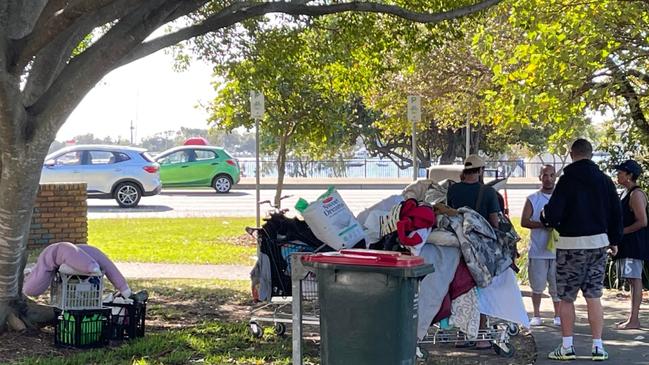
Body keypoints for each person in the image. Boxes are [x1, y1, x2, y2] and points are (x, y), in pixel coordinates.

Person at [542, 139, 623, 361]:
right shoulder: (605, 181)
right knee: (594, 295)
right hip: (598, 244)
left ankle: (567, 346)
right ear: (591, 154)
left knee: (567, 298)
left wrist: (546, 217)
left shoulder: (566, 181)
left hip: (570, 245)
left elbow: (553, 214)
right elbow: (616, 213)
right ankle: (598, 346)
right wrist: (614, 240)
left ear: (571, 154)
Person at [447, 154, 501, 350]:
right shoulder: (487, 192)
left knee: (460, 289)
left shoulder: (453, 190)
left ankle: (461, 335)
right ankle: (481, 336)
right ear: (480, 171)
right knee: (482, 291)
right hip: (480, 251)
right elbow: (494, 222)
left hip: (457, 247)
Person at [521, 165, 561, 326]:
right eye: (545, 175)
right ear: (540, 177)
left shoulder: (561, 198)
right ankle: (536, 315)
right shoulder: (533, 198)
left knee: (557, 287)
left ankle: (558, 315)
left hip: (558, 250)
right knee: (537, 286)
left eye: (552, 175)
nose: (548, 178)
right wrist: (543, 225)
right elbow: (524, 221)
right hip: (538, 250)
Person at [613, 159, 648, 330]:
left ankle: (634, 319)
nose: (618, 175)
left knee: (635, 279)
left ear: (629, 175)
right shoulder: (625, 193)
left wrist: (622, 232)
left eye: (620, 172)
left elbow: (642, 221)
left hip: (635, 244)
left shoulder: (636, 194)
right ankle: (631, 318)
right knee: (630, 279)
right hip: (627, 244)